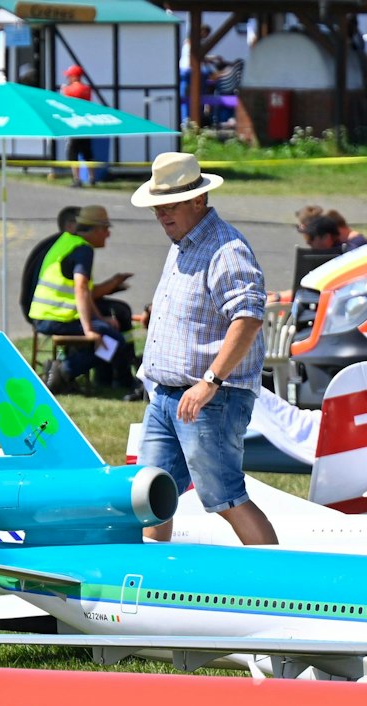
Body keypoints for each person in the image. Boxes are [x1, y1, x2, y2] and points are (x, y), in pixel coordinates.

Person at [129, 152, 276, 546]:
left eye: (171, 206)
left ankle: (278, 583)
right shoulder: (183, 242)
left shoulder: (226, 249)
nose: (162, 215)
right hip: (169, 395)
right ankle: (151, 585)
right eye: (158, 208)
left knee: (225, 497)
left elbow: (248, 318)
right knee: (148, 496)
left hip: (210, 398)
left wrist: (210, 381)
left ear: (198, 200)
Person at [28, 204, 136, 395]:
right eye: (105, 229)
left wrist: (100, 320)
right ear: (94, 229)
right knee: (113, 341)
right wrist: (90, 329)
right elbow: (81, 288)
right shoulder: (83, 250)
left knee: (108, 333)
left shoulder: (67, 241)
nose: (108, 234)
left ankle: (72, 373)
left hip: (44, 315)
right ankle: (63, 372)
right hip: (55, 318)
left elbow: (84, 292)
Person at [59, 64, 106, 187]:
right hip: (86, 125)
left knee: (72, 153)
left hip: (74, 126)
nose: (68, 78)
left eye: (69, 76)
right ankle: (92, 178)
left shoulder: (70, 89)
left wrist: (63, 91)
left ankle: (77, 179)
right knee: (87, 153)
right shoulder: (87, 89)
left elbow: (65, 103)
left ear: (74, 76)